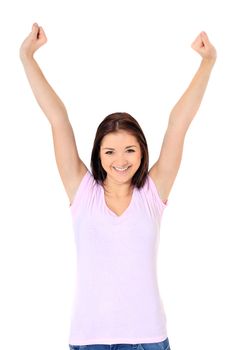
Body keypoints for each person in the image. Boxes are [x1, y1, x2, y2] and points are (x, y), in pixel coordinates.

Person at [19, 23, 217, 350]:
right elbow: (58, 118)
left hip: (148, 340)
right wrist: (27, 57)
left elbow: (178, 124)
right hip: (89, 340)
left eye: (130, 149)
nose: (120, 160)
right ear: (98, 154)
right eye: (110, 151)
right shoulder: (83, 193)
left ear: (142, 150)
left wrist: (207, 62)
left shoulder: (152, 194)